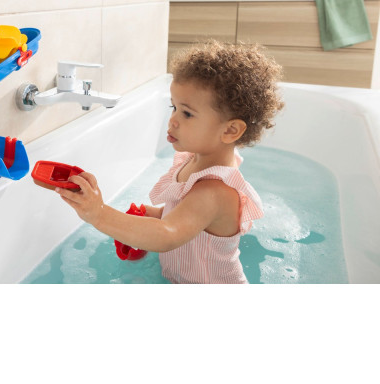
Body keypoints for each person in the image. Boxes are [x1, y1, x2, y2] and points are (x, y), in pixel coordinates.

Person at [56, 40, 284, 284]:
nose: (173, 120)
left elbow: (168, 234)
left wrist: (99, 214)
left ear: (230, 131)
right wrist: (153, 215)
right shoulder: (193, 161)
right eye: (173, 107)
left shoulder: (215, 191)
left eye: (187, 113)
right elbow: (184, 216)